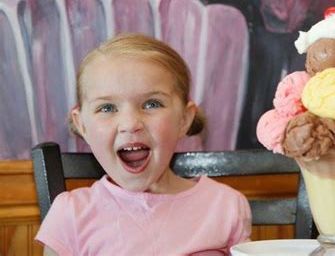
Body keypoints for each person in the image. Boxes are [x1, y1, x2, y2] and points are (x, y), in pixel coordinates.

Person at [35, 34, 252, 255]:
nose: (130, 124)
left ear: (184, 119)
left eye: (151, 103)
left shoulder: (226, 206)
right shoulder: (71, 214)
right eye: (107, 108)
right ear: (82, 125)